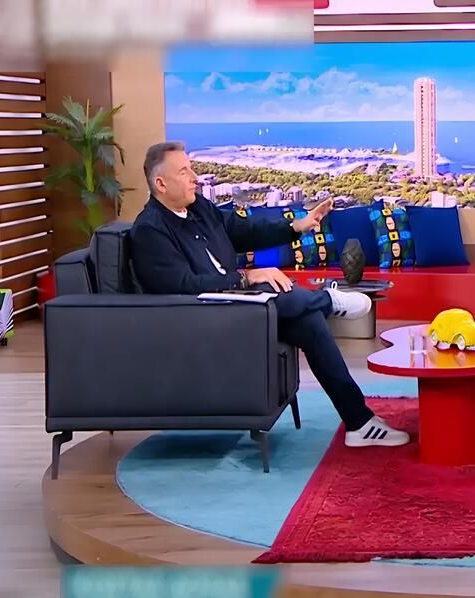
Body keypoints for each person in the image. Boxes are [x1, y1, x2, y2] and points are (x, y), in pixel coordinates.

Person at [129, 141, 410, 448]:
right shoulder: (149, 231)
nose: (195, 177)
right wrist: (244, 278)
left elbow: (246, 230)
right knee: (266, 286)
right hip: (204, 320)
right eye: (184, 172)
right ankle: (327, 300)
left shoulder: (199, 209)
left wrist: (297, 226)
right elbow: (181, 285)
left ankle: (359, 422)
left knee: (309, 323)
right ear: (161, 183)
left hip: (238, 309)